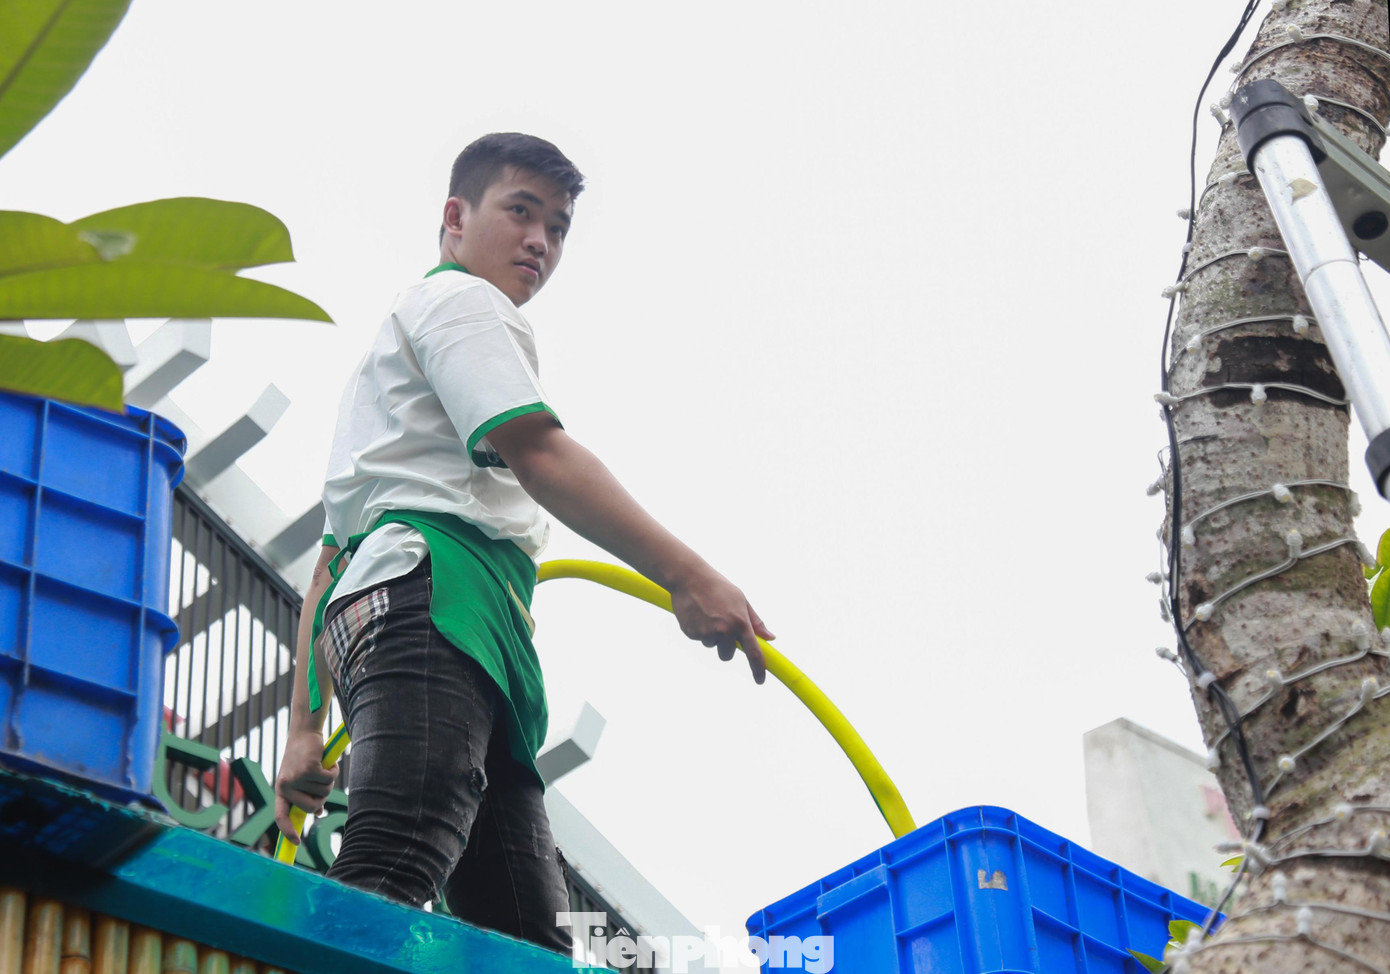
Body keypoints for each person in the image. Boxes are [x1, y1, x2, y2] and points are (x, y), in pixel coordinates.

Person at [272, 132, 773, 953]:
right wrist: (688, 576)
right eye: (521, 212)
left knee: (522, 938)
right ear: (454, 218)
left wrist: (303, 728)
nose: (541, 241)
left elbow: (332, 558)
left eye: (560, 226)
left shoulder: (386, 364)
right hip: (432, 604)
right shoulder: (463, 305)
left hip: (435, 621)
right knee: (393, 865)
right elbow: (539, 454)